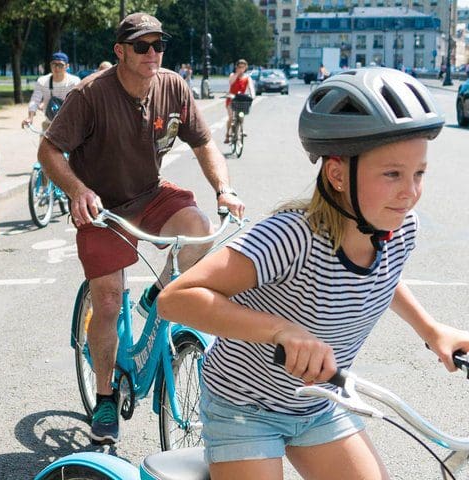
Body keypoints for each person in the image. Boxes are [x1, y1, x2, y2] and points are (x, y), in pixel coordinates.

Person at [157, 68, 469, 479]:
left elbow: (381, 277)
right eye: (392, 174)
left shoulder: (398, 228)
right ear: (338, 174)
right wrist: (281, 331)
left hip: (319, 402)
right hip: (245, 407)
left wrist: (432, 330)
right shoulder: (290, 237)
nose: (410, 191)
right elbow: (175, 298)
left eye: (419, 173)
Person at [38, 12, 245, 445]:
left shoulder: (172, 85)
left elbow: (204, 142)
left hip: (149, 194)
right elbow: (49, 150)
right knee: (109, 302)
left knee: (198, 228)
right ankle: (106, 395)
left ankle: (158, 294)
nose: (152, 54)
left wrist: (224, 189)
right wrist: (77, 191)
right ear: (120, 51)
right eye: (141, 46)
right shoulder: (90, 95)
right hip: (102, 208)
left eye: (158, 45)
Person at [21, 51, 80, 131]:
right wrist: (30, 117)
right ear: (50, 65)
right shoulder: (42, 81)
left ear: (67, 66)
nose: (57, 68)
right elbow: (35, 100)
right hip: (49, 124)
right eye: (54, 64)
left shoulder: (74, 82)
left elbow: (79, 103)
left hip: (69, 125)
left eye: (60, 65)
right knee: (43, 142)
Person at [224, 59, 255, 144]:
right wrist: (237, 74)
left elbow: (251, 88)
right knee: (231, 117)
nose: (241, 69)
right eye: (239, 67)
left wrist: (253, 95)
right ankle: (227, 133)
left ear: (246, 68)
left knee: (241, 114)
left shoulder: (247, 78)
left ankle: (241, 129)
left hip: (240, 100)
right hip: (231, 99)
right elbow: (231, 82)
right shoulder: (232, 75)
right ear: (236, 67)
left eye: (243, 67)